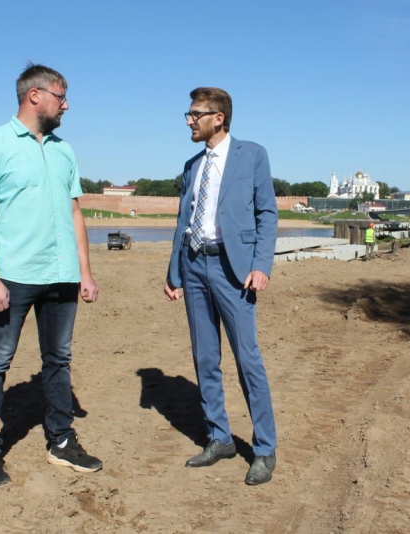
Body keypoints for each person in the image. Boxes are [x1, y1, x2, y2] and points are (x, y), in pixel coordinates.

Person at [0, 63, 102, 488]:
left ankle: (61, 441)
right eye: (61, 96)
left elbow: (75, 214)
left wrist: (85, 272)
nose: (67, 105)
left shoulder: (64, 151)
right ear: (35, 95)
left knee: (58, 360)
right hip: (14, 276)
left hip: (61, 276)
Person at [164, 87, 278, 485]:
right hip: (194, 264)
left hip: (235, 270)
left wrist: (261, 265)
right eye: (189, 114)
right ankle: (220, 437)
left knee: (247, 359)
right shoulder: (192, 165)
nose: (189, 121)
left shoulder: (253, 155)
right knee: (204, 357)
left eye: (195, 114)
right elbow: (183, 220)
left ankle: (264, 449)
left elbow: (267, 213)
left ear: (219, 118)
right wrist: (174, 272)